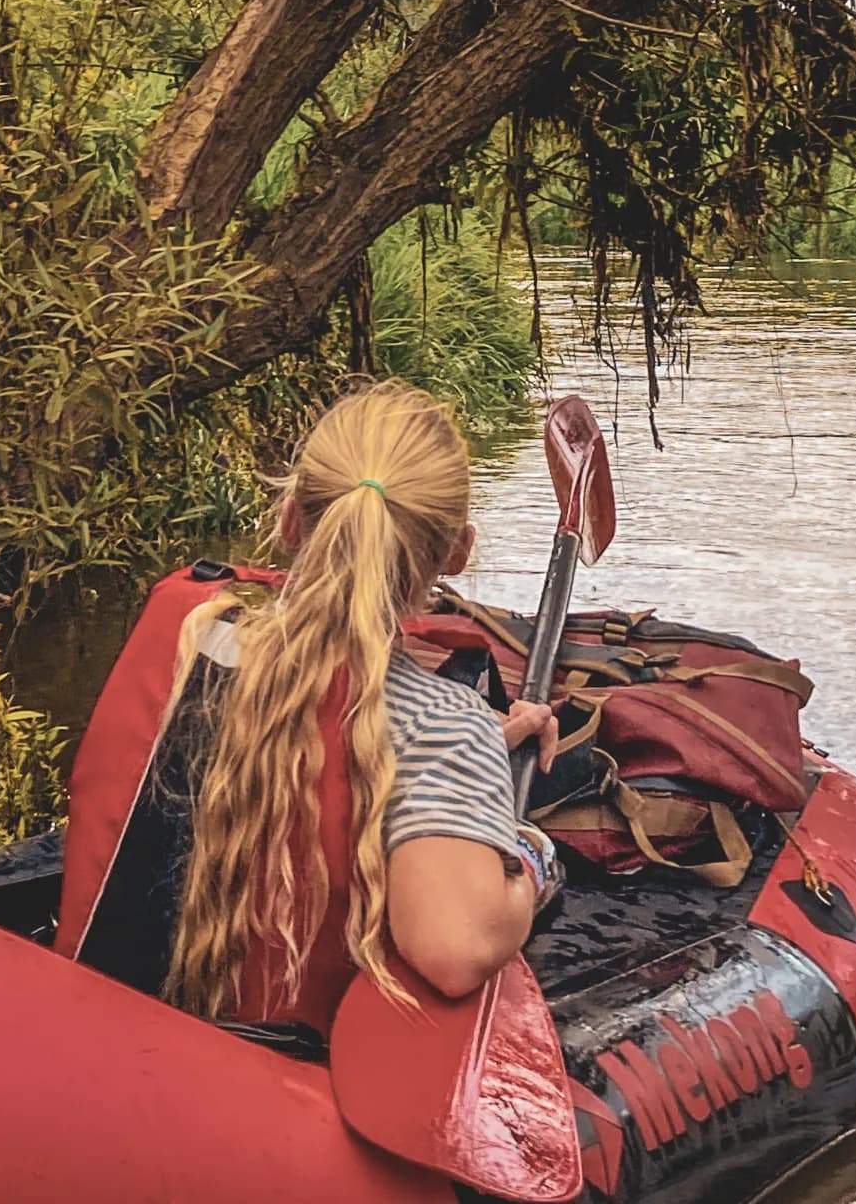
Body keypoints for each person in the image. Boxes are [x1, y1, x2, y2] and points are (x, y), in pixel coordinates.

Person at [81, 380, 562, 1036]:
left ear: (288, 520)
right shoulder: (439, 723)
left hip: (95, 1031)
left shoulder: (192, 640)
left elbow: (305, 731)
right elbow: (456, 949)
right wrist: (527, 851)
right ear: (457, 553)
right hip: (259, 1089)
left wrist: (468, 763)